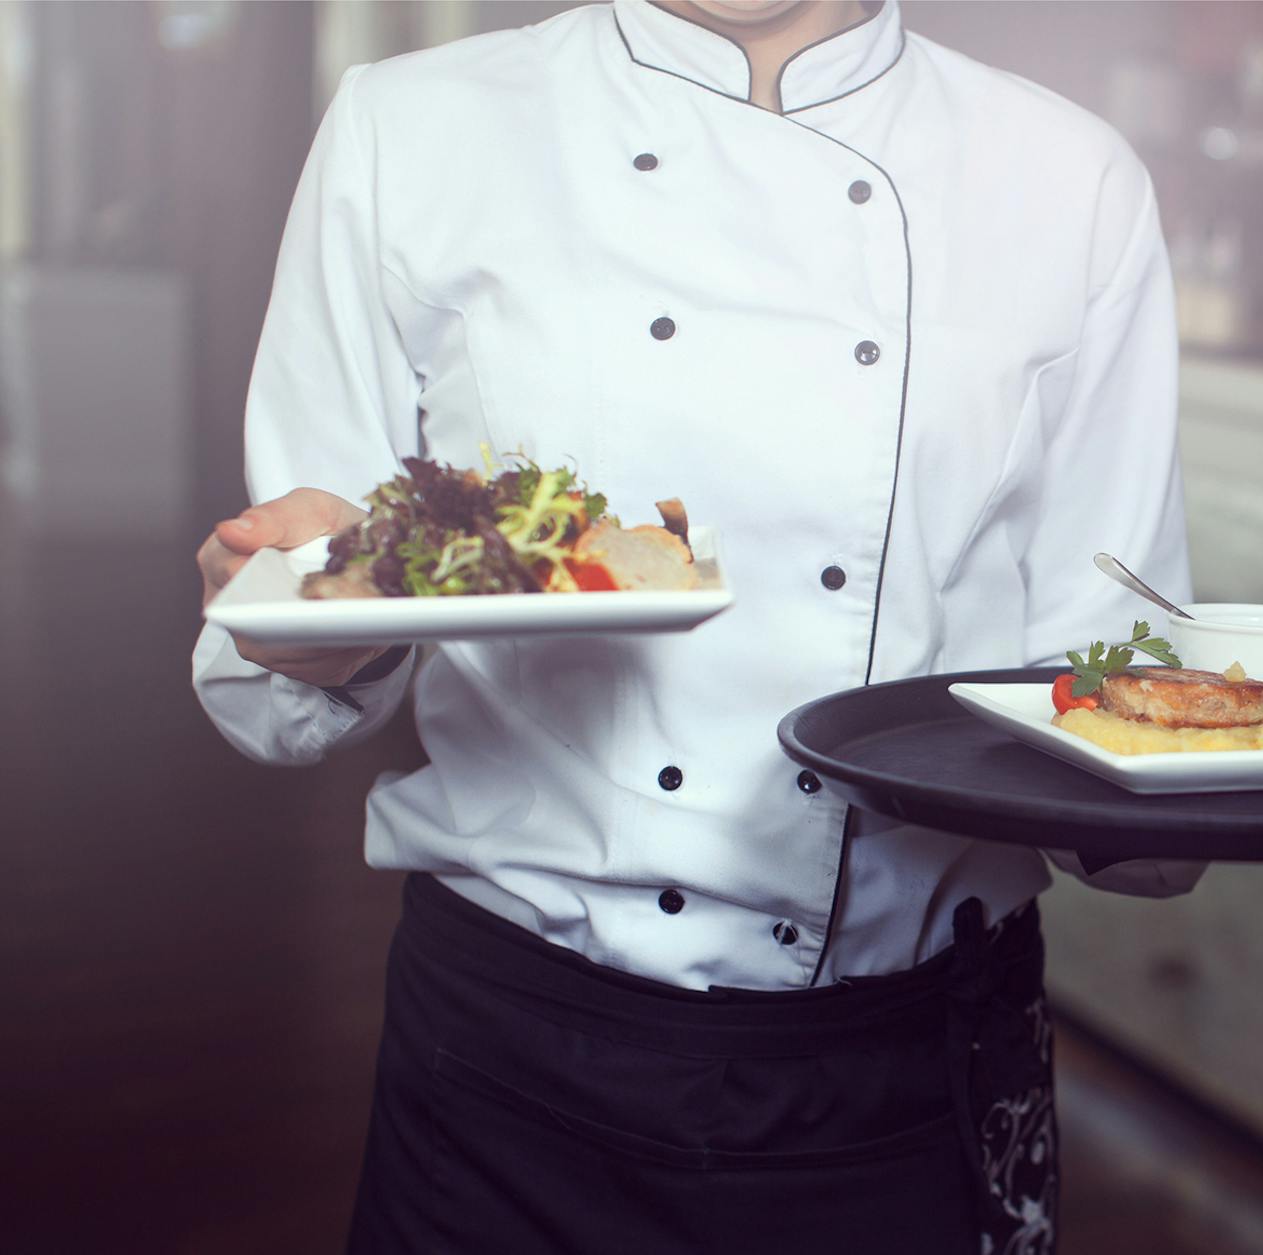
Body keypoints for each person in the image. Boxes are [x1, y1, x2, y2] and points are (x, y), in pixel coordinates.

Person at [189, 2, 1200, 1251]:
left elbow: (1116, 671)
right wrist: (304, 625)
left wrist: (1202, 779)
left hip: (916, 1066)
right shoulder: (412, 128)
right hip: (514, 1060)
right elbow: (285, 645)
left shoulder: (1069, 175)